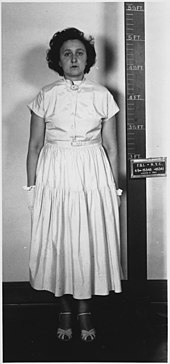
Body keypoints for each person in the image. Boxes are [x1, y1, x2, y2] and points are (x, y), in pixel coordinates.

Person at [24, 27, 123, 343]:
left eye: (79, 52)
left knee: (87, 240)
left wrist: (115, 189)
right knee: (61, 239)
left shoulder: (102, 95)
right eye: (67, 53)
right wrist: (32, 190)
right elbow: (34, 146)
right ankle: (65, 307)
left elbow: (111, 147)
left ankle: (84, 307)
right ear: (58, 60)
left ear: (88, 59)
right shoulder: (46, 95)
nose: (74, 58)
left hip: (92, 172)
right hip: (56, 172)